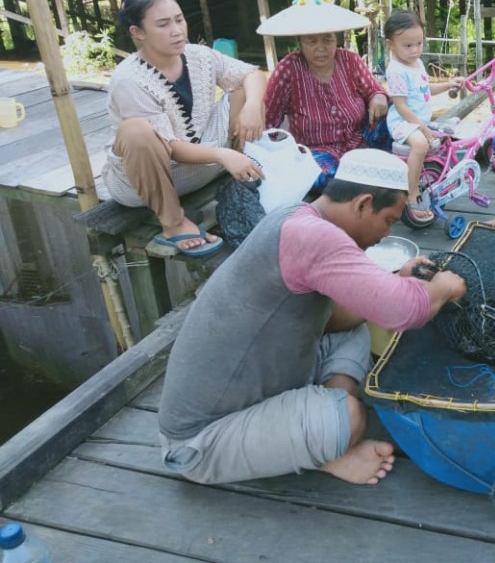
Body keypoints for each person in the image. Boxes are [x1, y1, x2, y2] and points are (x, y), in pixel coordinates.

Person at [158, 148, 467, 486]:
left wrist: (402, 282)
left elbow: (346, 314)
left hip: (265, 378)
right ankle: (329, 444)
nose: (384, 233)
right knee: (350, 418)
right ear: (363, 203)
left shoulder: (299, 217)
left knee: (353, 327)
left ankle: (326, 416)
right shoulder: (313, 236)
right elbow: (404, 310)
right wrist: (443, 288)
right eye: (388, 221)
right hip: (200, 441)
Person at [103, 0, 267, 257]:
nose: (177, 30)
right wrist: (223, 154)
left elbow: (252, 73)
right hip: (149, 181)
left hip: (205, 165)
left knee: (244, 91)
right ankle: (173, 223)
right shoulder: (129, 80)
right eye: (163, 24)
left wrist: (251, 106)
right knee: (135, 132)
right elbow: (171, 147)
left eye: (179, 19)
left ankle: (239, 163)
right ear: (138, 32)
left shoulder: (198, 56)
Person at [259, 0, 391, 189]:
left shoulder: (349, 60)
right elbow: (269, 122)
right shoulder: (287, 70)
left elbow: (374, 89)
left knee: (394, 111)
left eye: (327, 40)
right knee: (326, 179)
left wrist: (378, 95)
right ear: (300, 42)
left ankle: (390, 166)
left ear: (335, 39)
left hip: (359, 138)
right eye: (312, 41)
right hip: (317, 150)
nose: (321, 48)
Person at [383, 9, 463, 222]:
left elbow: (425, 90)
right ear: (390, 44)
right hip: (402, 121)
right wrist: (422, 128)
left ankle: (437, 175)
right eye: (408, 45)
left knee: (445, 137)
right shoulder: (397, 70)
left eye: (419, 43)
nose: (415, 50)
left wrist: (448, 84)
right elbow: (400, 106)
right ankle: (411, 194)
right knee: (420, 144)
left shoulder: (417, 64)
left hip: (417, 120)